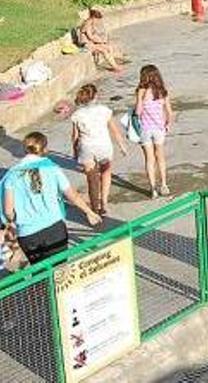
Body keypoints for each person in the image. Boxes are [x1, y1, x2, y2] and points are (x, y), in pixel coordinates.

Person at [1, 132, 101, 265]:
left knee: (41, 273)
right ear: (45, 149)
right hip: (54, 228)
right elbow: (72, 195)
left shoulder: (11, 175)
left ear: (25, 149)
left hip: (27, 234)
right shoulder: (52, 168)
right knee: (59, 270)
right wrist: (89, 212)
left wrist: (15, 220)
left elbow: (8, 211)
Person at [70, 84, 128, 216]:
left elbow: (75, 137)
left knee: (91, 179)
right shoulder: (105, 110)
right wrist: (122, 146)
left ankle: (94, 207)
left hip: (86, 147)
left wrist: (75, 152)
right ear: (96, 96)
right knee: (106, 173)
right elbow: (114, 130)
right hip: (104, 146)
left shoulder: (77, 115)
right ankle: (104, 203)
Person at [135, 65, 173, 199]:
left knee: (149, 159)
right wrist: (168, 123)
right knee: (160, 157)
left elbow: (138, 112)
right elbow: (169, 111)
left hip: (145, 129)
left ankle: (153, 189)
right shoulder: (162, 92)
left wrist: (140, 98)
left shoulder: (141, 91)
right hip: (159, 128)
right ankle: (164, 184)